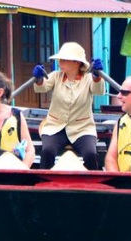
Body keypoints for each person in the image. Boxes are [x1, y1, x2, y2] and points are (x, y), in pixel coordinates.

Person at [33, 42, 105, 170]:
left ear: (77, 62)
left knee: (91, 154)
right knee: (47, 151)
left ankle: (90, 184)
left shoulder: (88, 78)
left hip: (82, 128)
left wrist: (97, 77)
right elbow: (42, 87)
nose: (60, 62)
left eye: (64, 60)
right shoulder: (56, 76)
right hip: (56, 126)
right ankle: (44, 182)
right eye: (60, 59)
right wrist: (38, 79)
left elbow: (98, 91)